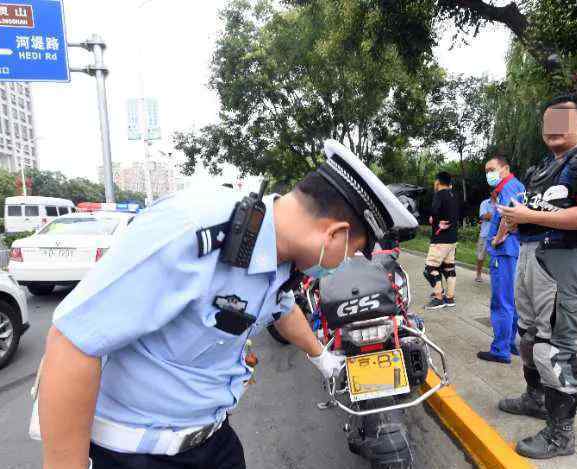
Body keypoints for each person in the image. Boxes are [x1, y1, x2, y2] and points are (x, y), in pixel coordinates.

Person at [36, 139, 418, 469]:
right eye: (351, 252)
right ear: (334, 234)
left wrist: (323, 358)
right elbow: (73, 341)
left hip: (213, 440)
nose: (344, 264)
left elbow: (282, 308)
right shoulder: (191, 231)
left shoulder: (277, 256)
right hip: (137, 454)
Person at [496, 95, 577, 459]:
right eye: (548, 121)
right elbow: (532, 211)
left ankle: (562, 434)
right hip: (530, 257)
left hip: (564, 260)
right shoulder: (541, 169)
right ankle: (536, 398)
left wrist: (531, 217)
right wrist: (511, 221)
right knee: (528, 337)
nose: (553, 128)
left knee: (554, 348)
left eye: (562, 119)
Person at [476, 155, 524, 364]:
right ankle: (511, 343)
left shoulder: (507, 188)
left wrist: (496, 239)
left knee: (501, 302)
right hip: (513, 250)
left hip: (504, 251)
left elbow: (508, 216)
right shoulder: (516, 186)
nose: (489, 174)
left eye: (492, 169)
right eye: (486, 171)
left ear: (505, 168)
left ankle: (500, 349)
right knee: (511, 300)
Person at [424, 171, 459, 310]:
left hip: (440, 238)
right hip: (452, 238)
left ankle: (438, 297)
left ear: (438, 182)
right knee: (449, 268)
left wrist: (434, 218)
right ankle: (450, 298)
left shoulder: (439, 195)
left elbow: (434, 212)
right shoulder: (455, 195)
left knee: (430, 268)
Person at [474, 197, 494, 283]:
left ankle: (495, 277)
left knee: (496, 257)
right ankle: (478, 275)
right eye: (495, 191)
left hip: (497, 234)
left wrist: (490, 215)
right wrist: (496, 216)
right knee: (480, 256)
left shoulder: (502, 202)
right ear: (491, 192)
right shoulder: (485, 203)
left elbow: (489, 216)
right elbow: (483, 216)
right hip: (485, 233)